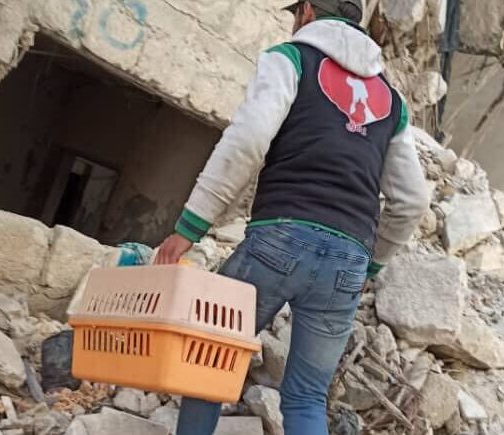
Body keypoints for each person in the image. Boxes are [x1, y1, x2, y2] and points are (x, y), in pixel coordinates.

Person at [155, 1, 429, 434]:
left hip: (279, 239)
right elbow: (412, 201)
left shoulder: (291, 58)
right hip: (348, 260)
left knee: (208, 367)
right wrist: (371, 263)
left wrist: (189, 228)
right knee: (305, 398)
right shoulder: (392, 103)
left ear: (305, 13)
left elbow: (247, 140)